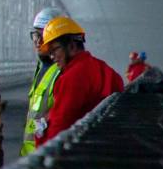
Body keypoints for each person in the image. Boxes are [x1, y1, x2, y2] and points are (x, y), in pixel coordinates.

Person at [37, 16, 124, 147]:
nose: (52, 57)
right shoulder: (105, 70)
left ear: (71, 46)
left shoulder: (71, 78)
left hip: (79, 154)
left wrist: (40, 137)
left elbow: (58, 131)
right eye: (50, 53)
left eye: (54, 49)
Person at [22, 7, 62, 157]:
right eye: (34, 35)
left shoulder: (60, 71)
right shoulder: (41, 67)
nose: (37, 41)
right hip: (31, 156)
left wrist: (36, 126)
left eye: (42, 36)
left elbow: (57, 116)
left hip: (45, 156)